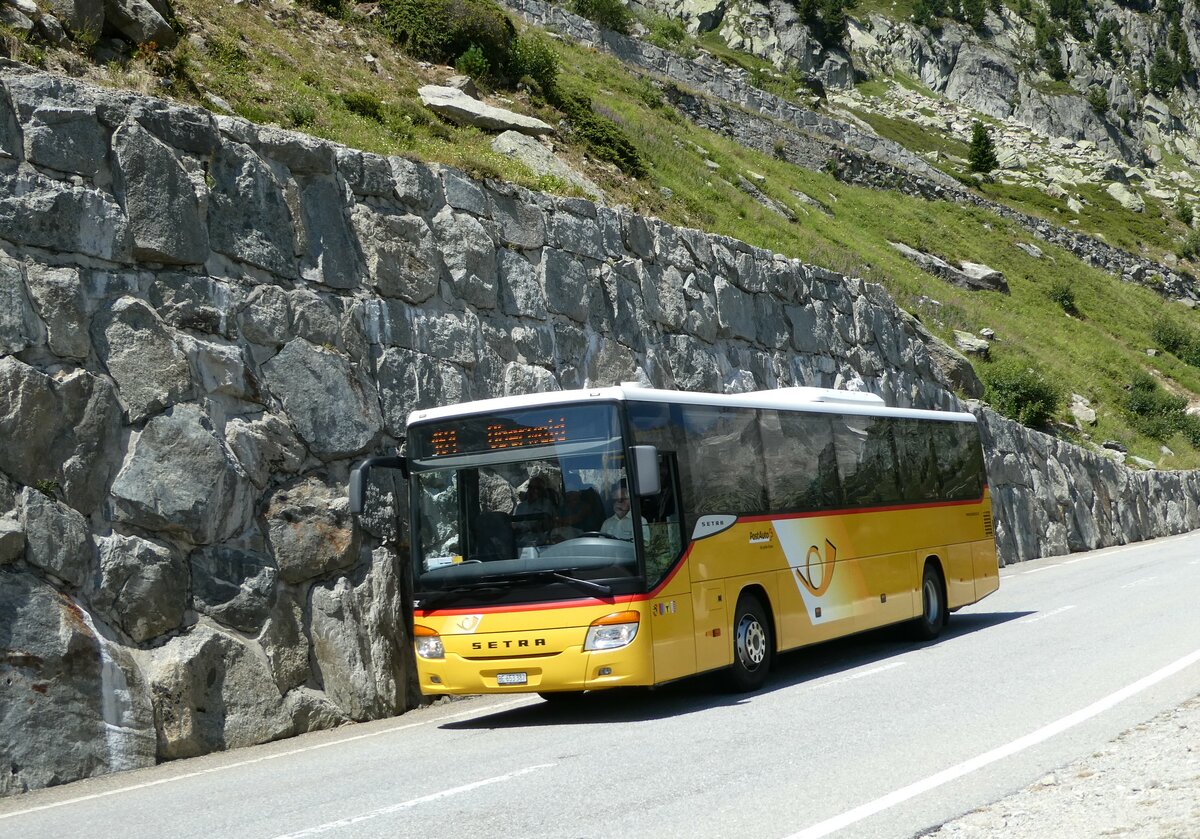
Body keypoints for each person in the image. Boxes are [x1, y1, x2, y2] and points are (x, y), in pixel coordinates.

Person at [513, 475, 557, 546]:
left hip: (541, 541)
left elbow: (546, 524)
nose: (534, 491)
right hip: (521, 541)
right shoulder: (520, 507)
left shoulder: (546, 504)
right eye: (531, 487)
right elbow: (515, 525)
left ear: (542, 491)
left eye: (537, 488)